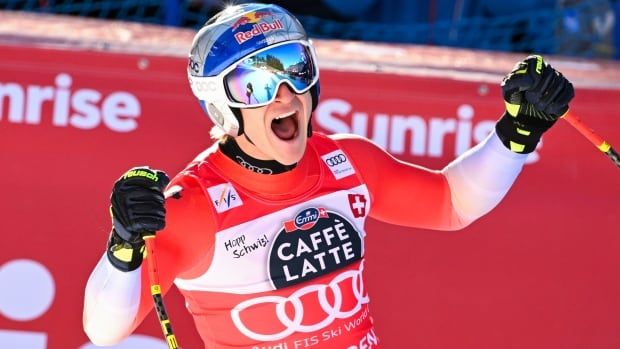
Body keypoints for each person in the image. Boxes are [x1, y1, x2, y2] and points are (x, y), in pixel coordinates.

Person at [82, 3, 574, 349]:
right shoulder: (194, 206)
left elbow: (451, 203)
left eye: (294, 68)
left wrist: (516, 132)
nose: (283, 94)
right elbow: (104, 330)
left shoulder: (350, 164)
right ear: (222, 107)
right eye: (254, 84)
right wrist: (122, 246)